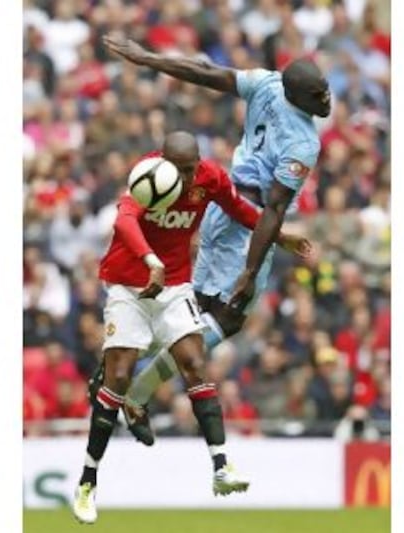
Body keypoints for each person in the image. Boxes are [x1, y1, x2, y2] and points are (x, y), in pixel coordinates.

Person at [101, 33, 330, 444]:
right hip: (246, 222)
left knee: (196, 306)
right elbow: (273, 210)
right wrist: (250, 268)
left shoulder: (266, 83)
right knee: (228, 318)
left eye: (326, 92)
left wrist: (149, 59)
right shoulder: (304, 143)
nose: (326, 102)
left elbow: (205, 73)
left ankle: (116, 366)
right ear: (297, 95)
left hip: (218, 206)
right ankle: (135, 392)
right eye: (317, 95)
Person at [71, 131, 310, 524]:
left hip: (175, 285)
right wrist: (150, 260)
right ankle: (87, 483)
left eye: (190, 168)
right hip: (128, 286)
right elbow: (125, 220)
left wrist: (279, 237)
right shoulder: (147, 174)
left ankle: (221, 467)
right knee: (118, 376)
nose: (185, 177)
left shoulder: (209, 177)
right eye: (179, 169)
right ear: (163, 161)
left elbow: (237, 207)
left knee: (195, 361)